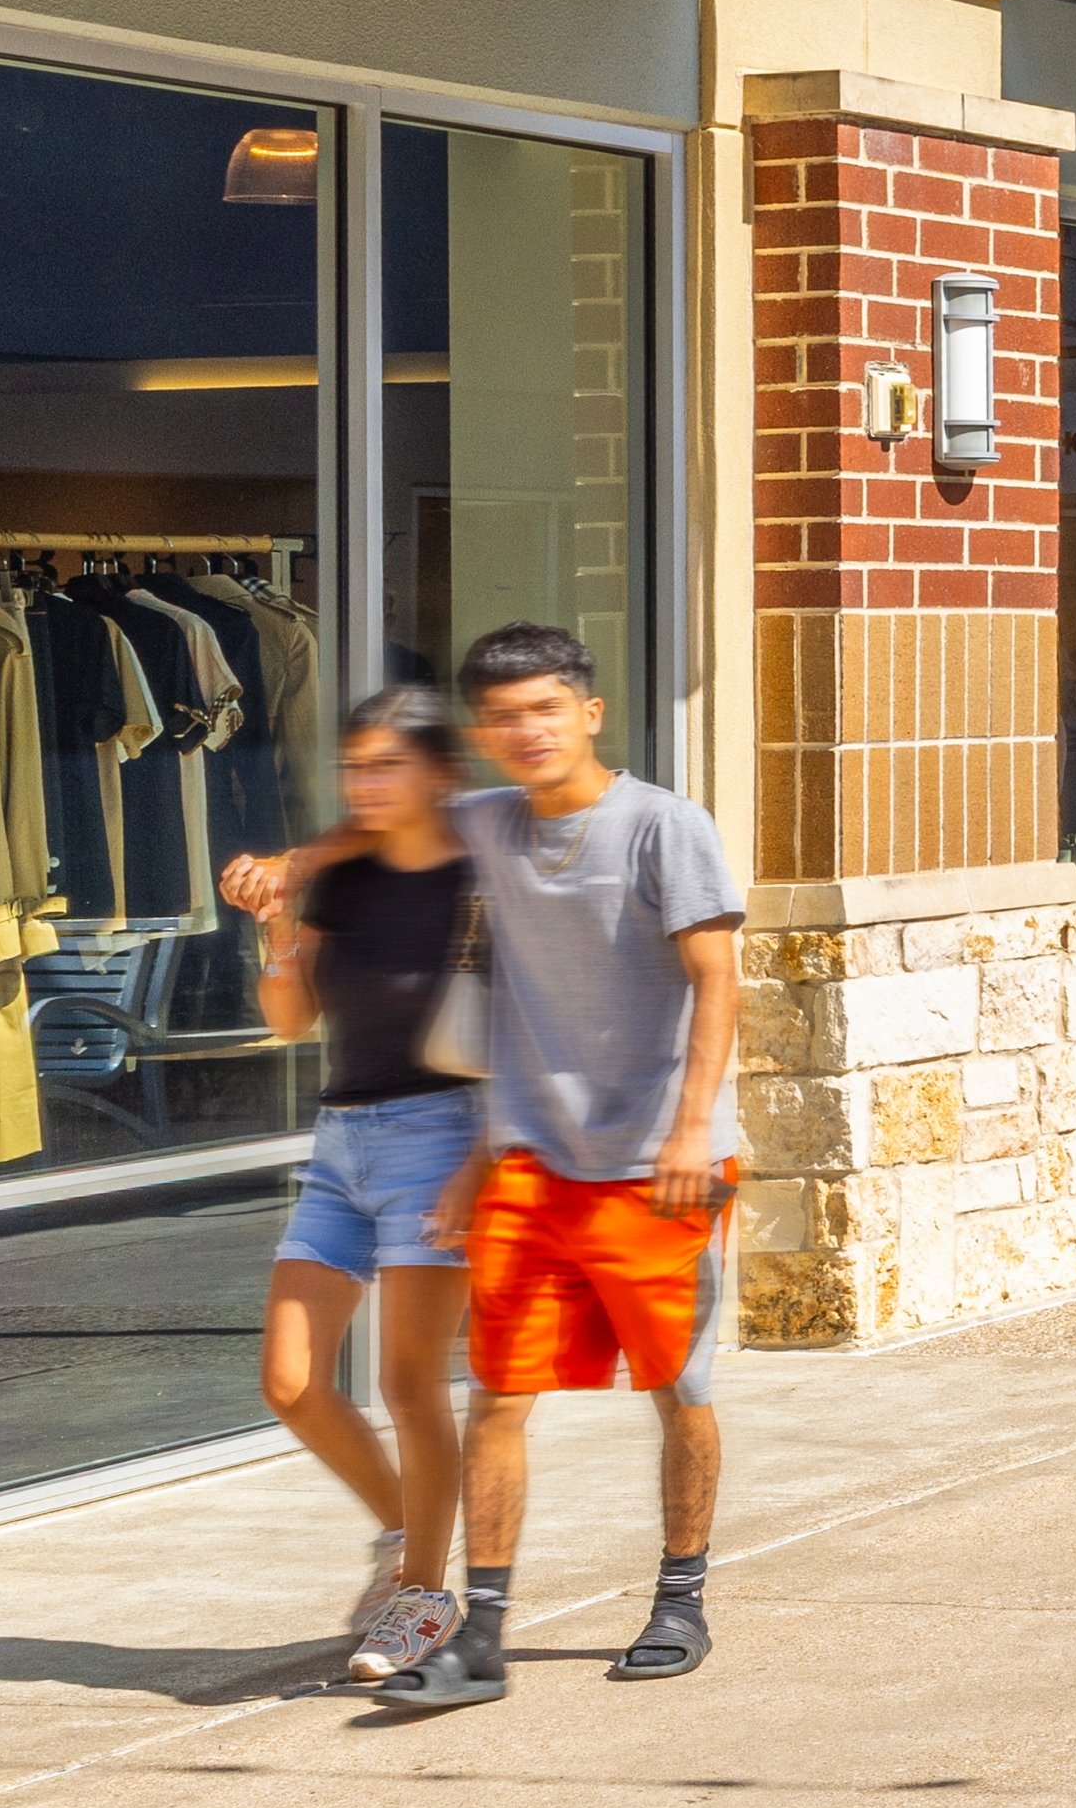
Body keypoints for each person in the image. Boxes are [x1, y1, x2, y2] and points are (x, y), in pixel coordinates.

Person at [218, 623, 742, 1711]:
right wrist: (284, 872)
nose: (527, 730)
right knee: (497, 1398)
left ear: (589, 711)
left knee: (676, 1388)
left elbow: (716, 979)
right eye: (505, 715)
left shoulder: (663, 825)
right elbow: (375, 818)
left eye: (545, 708)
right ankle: (479, 1632)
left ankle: (680, 1594)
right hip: (529, 1161)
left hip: (656, 1164)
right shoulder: (488, 821)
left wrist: (694, 1127)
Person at [252, 685, 482, 1681]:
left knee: (407, 1382)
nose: (366, 784)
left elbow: (519, 1031)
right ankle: (403, 1540)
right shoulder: (345, 879)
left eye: (388, 764)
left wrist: (482, 1163)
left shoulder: (479, 881)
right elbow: (289, 1021)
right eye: (355, 766)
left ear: (440, 772)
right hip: (341, 1142)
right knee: (291, 1380)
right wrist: (277, 928)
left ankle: (427, 1597)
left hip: (441, 1139)